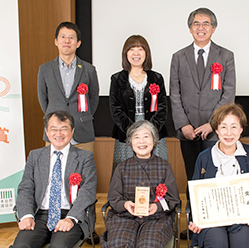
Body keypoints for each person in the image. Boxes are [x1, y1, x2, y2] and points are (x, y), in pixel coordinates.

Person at [170, 7, 235, 195]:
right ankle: (193, 223)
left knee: (215, 178)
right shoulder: (178, 57)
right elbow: (175, 94)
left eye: (206, 23)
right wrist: (183, 125)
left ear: (213, 28)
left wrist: (213, 124)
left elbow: (228, 94)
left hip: (215, 131)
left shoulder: (226, 56)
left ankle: (212, 223)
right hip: (187, 131)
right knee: (192, 176)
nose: (201, 27)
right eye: (196, 24)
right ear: (190, 29)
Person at [11, 110, 97, 248]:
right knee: (21, 245)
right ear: (46, 131)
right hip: (40, 215)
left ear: (72, 131)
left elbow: (88, 192)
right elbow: (25, 188)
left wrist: (71, 218)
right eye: (54, 129)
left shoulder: (85, 157)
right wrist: (26, 215)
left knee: (59, 246)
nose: (58, 134)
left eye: (64, 129)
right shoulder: (35, 156)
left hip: (69, 214)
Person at [188, 103, 249, 248]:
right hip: (211, 219)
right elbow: (193, 193)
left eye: (234, 126)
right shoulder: (204, 157)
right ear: (216, 129)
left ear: (241, 129)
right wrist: (196, 219)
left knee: (241, 244)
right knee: (217, 243)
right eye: (223, 127)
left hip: (242, 218)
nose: (229, 133)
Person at [101, 120, 180, 248]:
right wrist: (126, 204)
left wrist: (157, 207)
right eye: (136, 137)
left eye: (146, 137)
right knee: (119, 243)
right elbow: (113, 198)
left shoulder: (164, 166)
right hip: (124, 217)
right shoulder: (122, 167)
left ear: (154, 141)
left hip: (156, 219)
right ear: (130, 142)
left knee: (148, 244)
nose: (141, 141)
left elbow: (172, 198)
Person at [38, 21, 100, 153]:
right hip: (55, 133)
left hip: (82, 132)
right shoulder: (45, 69)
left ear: (78, 43)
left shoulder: (88, 69)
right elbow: (43, 99)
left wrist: (82, 116)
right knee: (54, 172)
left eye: (71, 38)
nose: (67, 41)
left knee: (83, 172)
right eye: (63, 37)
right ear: (56, 41)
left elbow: (94, 98)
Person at [110, 35, 168, 171]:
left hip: (154, 130)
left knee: (156, 171)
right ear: (126, 54)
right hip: (126, 131)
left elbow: (162, 107)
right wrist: (133, 132)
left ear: (146, 53)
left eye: (140, 49)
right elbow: (115, 108)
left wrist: (149, 132)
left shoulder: (156, 78)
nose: (136, 54)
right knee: (125, 172)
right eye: (131, 49)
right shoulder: (117, 79)